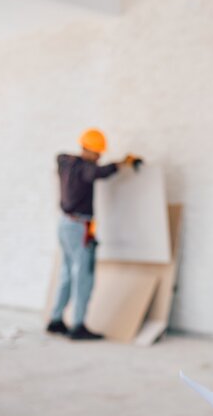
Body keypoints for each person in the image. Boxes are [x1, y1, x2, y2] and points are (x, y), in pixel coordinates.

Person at [46, 128, 138, 340]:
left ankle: (56, 320)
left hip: (64, 224)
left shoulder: (66, 162)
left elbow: (65, 158)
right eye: (97, 154)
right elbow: (97, 173)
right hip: (80, 227)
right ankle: (78, 326)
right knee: (83, 276)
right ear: (89, 150)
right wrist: (120, 164)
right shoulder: (85, 170)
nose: (98, 158)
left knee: (67, 273)